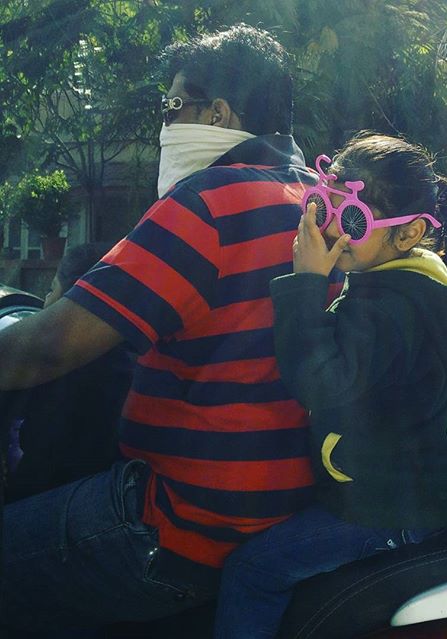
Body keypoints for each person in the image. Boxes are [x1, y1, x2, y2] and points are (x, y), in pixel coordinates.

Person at [0, 24, 320, 634]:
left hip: (182, 525)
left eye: (173, 105)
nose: (164, 122)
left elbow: (45, 350)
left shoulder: (208, 204)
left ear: (218, 112)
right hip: (286, 514)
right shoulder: (321, 199)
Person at [212, 133, 447, 639]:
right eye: (325, 207)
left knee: (251, 572)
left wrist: (305, 284)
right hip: (408, 494)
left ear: (407, 235)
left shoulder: (390, 306)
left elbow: (324, 387)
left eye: (354, 220)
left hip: (386, 509)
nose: (332, 230)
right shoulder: (412, 286)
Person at [3, 242, 133, 503]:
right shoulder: (126, 360)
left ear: (70, 305)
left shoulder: (47, 362)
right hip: (111, 496)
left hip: (53, 503)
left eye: (51, 290)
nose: (46, 301)